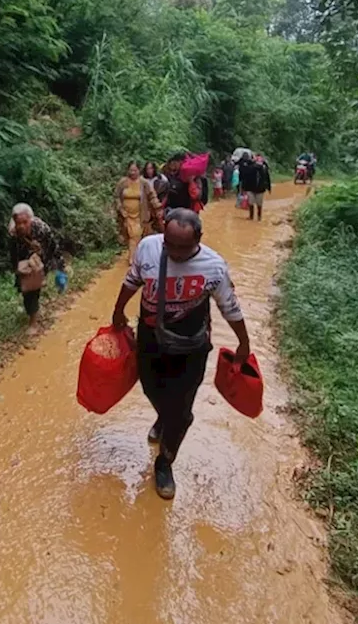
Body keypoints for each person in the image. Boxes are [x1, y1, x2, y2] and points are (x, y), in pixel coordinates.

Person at [110, 209, 250, 499]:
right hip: (151, 340)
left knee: (182, 410)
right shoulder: (149, 248)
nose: (173, 252)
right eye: (169, 244)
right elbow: (132, 280)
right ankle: (165, 416)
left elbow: (230, 307)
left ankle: (165, 462)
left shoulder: (214, 266)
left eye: (181, 247)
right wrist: (118, 310)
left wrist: (243, 343)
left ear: (198, 239)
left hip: (192, 348)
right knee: (151, 389)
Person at [9, 203, 64, 334]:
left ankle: (33, 321)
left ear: (31, 220)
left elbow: (52, 249)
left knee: (32, 287)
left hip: (41, 256)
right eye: (18, 223)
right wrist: (16, 269)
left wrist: (59, 269)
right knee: (24, 286)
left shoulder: (42, 229)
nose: (21, 226)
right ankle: (32, 308)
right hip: (23, 257)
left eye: (25, 222)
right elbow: (13, 254)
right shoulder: (13, 233)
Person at [115, 160, 164, 258]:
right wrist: (120, 209)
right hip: (126, 214)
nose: (132, 173)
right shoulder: (122, 182)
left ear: (139, 170)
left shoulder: (144, 183)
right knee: (128, 235)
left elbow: (152, 196)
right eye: (131, 170)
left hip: (139, 214)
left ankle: (132, 258)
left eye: (135, 170)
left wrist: (158, 207)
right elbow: (116, 196)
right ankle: (136, 254)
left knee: (135, 234)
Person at [240, 153, 272, 221]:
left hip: (260, 189)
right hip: (250, 188)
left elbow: (267, 178)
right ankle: (251, 217)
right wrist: (243, 188)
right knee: (251, 203)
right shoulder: (250, 166)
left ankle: (259, 217)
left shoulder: (264, 168)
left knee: (259, 204)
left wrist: (269, 187)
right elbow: (245, 176)